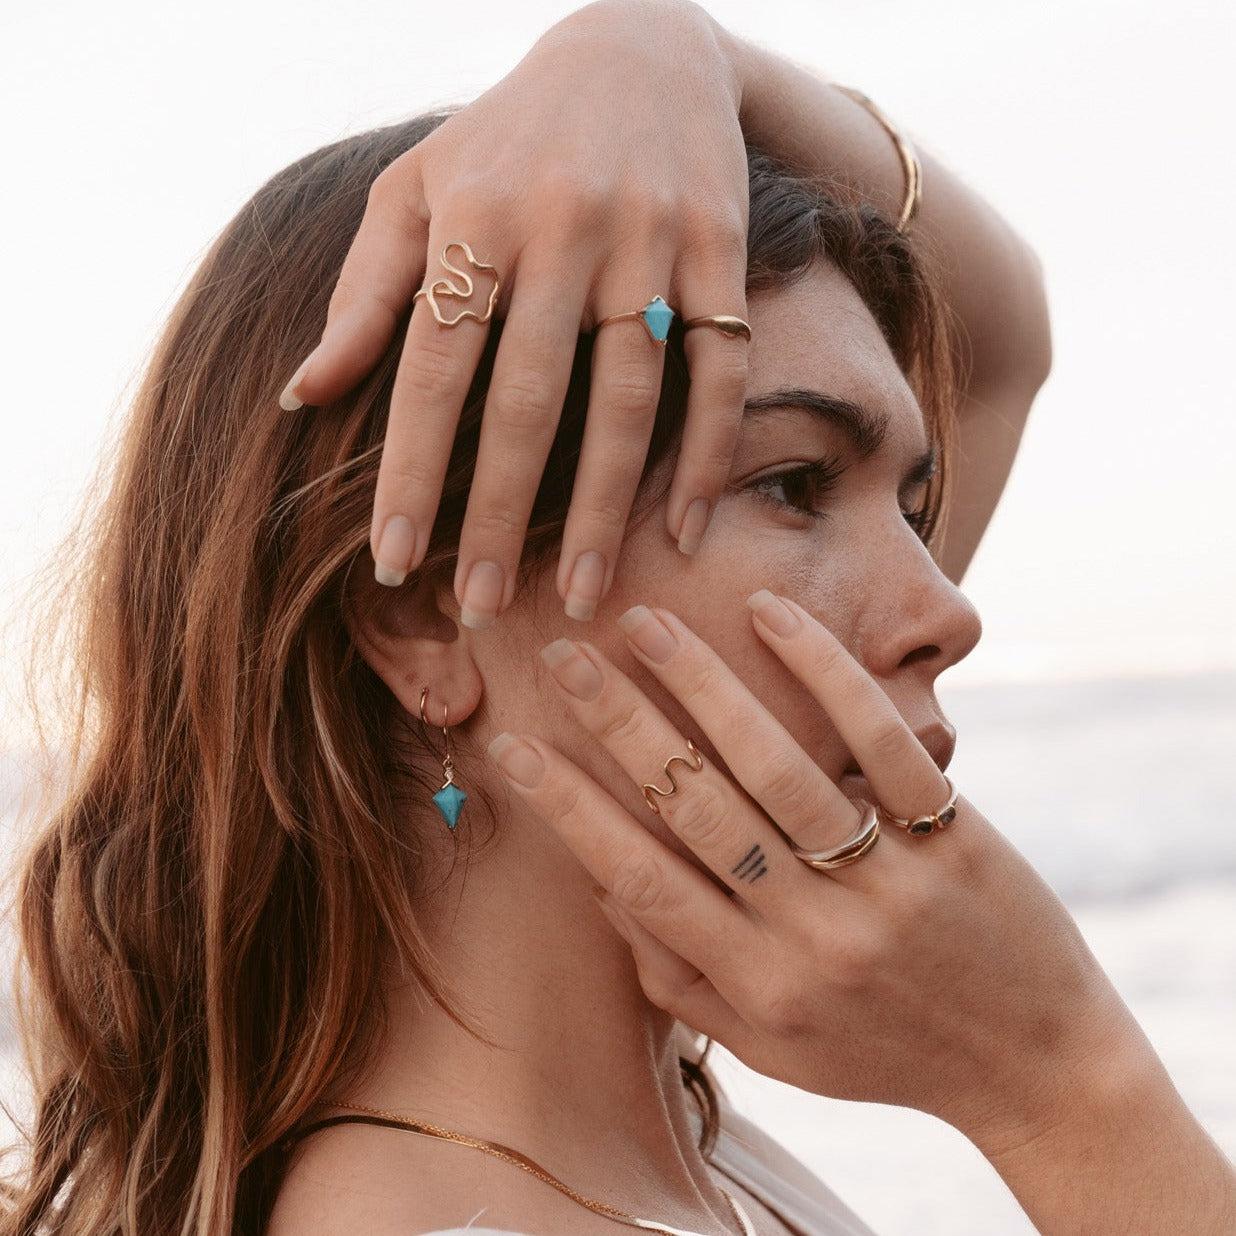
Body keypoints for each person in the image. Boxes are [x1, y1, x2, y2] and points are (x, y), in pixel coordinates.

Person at [2, 1, 1233, 1233]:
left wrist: (670, 54)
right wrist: (1063, 1085)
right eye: (794, 483)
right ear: (432, 612)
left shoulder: (661, 1154)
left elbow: (998, 326)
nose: (943, 609)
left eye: (912, 507)